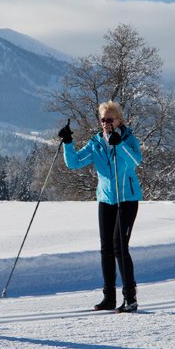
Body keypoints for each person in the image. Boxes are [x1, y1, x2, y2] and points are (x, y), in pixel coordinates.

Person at [60, 101, 143, 313]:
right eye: (103, 119)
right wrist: (68, 142)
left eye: (109, 119)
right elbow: (75, 162)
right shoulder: (96, 142)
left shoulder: (128, 139)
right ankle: (109, 298)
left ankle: (130, 298)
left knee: (120, 246)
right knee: (106, 247)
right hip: (105, 199)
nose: (105, 123)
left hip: (126, 199)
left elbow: (135, 161)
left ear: (119, 120)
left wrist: (119, 145)